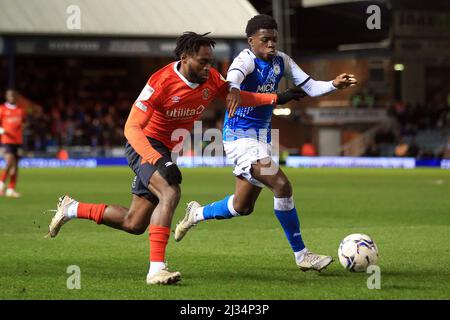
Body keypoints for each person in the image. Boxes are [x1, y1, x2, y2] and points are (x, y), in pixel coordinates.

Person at [45, 31, 306, 285]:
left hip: (166, 150)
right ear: (184, 57)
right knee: (171, 193)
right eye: (203, 62)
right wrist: (158, 160)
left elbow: (235, 97)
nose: (208, 67)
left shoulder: (211, 79)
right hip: (144, 144)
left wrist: (277, 97)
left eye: (211, 62)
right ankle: (156, 270)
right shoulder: (160, 82)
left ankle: (71, 208)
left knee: (134, 223)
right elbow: (131, 128)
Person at [175, 15, 357, 272]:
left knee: (242, 206)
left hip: (261, 139)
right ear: (251, 41)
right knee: (282, 185)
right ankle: (302, 254)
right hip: (238, 138)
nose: (271, 44)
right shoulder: (245, 60)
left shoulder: (282, 60)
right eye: (265, 40)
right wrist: (235, 90)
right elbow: (233, 81)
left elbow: (311, 87)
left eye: (274, 39)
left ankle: (197, 214)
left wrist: (334, 84)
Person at [0, 89, 26, 198]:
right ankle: (1, 184)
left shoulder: (20, 110)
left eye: (13, 96)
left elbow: (22, 124)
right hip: (6, 140)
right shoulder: (2, 109)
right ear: (6, 97)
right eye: (10, 96)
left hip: (17, 141)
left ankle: (11, 189)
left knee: (15, 166)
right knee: (9, 161)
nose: (12, 97)